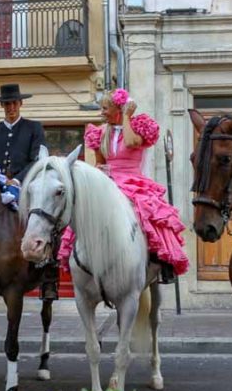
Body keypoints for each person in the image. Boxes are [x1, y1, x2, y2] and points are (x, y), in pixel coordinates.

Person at [59, 88, 189, 284]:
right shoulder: (100, 133)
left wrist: (127, 116)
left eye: (105, 108)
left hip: (133, 181)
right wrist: (100, 172)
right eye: (101, 108)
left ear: (118, 109)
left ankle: (159, 262)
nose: (101, 112)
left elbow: (130, 142)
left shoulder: (140, 127)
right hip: (109, 181)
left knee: (149, 215)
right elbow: (100, 163)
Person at [0, 83, 58, 300]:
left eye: (14, 103)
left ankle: (48, 273)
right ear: (2, 106)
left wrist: (16, 180)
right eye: (6, 104)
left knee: (42, 221)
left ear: (20, 104)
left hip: (25, 187)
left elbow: (37, 159)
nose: (11, 107)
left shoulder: (33, 127)